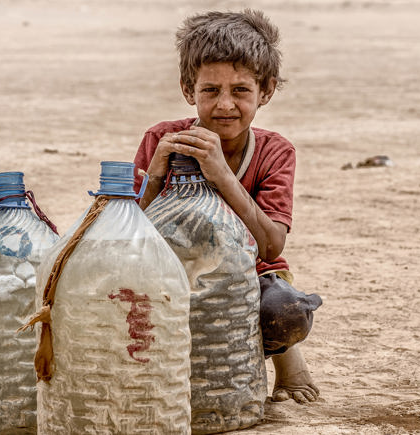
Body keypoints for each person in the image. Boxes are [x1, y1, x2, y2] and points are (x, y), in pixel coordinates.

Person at [133, 9, 323, 403]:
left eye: (240, 90)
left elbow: (271, 246)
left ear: (266, 91)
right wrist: (155, 175)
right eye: (210, 90)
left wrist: (222, 175)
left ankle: (288, 361)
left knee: (284, 311)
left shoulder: (274, 152)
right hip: (172, 275)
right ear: (188, 89)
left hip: (251, 277)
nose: (224, 105)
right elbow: (127, 233)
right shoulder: (162, 140)